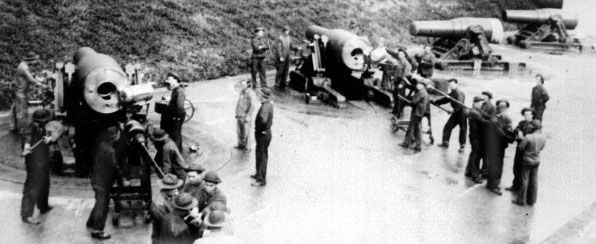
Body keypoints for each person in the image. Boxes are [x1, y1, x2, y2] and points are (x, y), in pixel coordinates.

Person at [86, 126, 128, 239]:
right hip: (103, 181)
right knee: (103, 205)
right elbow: (115, 167)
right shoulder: (110, 150)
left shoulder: (102, 145)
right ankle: (98, 230)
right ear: (115, 137)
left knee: (99, 201)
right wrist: (123, 179)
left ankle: (91, 222)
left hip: (96, 178)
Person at [20, 109, 53, 224]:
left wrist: (49, 139)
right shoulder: (29, 127)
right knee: (32, 186)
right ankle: (26, 214)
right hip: (33, 161)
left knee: (45, 182)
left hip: (43, 158)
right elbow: (27, 137)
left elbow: (49, 134)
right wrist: (27, 146)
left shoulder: (43, 125)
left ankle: (43, 206)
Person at [512, 120, 546, 206]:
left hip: (527, 160)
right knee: (534, 180)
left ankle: (521, 200)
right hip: (536, 160)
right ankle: (531, 200)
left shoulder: (528, 136)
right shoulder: (543, 137)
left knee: (525, 179)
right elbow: (541, 148)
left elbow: (521, 147)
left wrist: (520, 139)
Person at [12, 52, 46, 134]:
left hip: (20, 91)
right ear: (31, 60)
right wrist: (41, 84)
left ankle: (15, 128)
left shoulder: (24, 65)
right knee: (22, 111)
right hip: (20, 92)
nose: (35, 62)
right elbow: (30, 79)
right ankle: (22, 130)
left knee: (17, 109)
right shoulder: (23, 67)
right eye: (35, 60)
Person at [485, 100, 515, 195]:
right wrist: (509, 137)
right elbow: (500, 132)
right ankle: (494, 186)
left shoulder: (496, 116)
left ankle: (490, 183)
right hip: (497, 145)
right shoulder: (498, 118)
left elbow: (506, 128)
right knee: (497, 166)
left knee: (492, 164)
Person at [506, 108, 537, 192]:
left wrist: (523, 137)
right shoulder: (522, 123)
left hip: (527, 149)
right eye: (525, 114)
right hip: (519, 148)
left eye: (529, 114)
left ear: (532, 115)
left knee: (524, 170)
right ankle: (515, 185)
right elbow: (517, 128)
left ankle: (522, 189)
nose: (527, 116)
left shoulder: (534, 125)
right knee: (516, 167)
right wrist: (518, 131)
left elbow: (534, 137)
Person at [434, 78, 467, 152]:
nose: (450, 86)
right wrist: (436, 102)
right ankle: (445, 142)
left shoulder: (459, 93)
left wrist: (453, 110)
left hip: (462, 113)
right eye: (449, 85)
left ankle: (462, 146)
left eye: (452, 84)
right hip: (455, 113)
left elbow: (460, 104)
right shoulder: (452, 93)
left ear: (456, 84)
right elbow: (446, 99)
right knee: (448, 127)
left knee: (463, 129)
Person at [399, 79, 429, 152]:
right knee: (417, 129)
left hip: (416, 112)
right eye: (417, 84)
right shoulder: (425, 92)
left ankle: (406, 143)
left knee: (411, 128)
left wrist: (411, 102)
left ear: (423, 86)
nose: (417, 85)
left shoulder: (420, 92)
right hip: (420, 112)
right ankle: (418, 146)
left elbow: (414, 102)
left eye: (419, 84)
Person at [151, 174, 184, 239]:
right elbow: (166, 223)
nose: (177, 190)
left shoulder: (170, 195)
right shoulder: (158, 204)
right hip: (163, 232)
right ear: (168, 189)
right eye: (175, 188)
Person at [252, 87, 274, 186]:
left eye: (259, 94)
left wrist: (260, 130)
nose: (258, 95)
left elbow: (263, 120)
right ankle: (258, 174)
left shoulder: (265, 106)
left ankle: (261, 179)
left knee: (262, 156)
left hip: (263, 135)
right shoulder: (268, 104)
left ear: (262, 95)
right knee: (259, 154)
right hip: (264, 134)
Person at [465, 96, 488, 183]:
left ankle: (469, 172)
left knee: (474, 154)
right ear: (475, 103)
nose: (481, 105)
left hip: (478, 136)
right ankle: (475, 176)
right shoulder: (473, 112)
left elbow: (486, 115)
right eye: (480, 103)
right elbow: (483, 121)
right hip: (475, 137)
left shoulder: (478, 110)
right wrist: (493, 123)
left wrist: (495, 117)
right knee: (476, 156)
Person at [160, 72, 186, 150]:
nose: (169, 81)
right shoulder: (175, 90)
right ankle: (177, 152)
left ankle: (176, 154)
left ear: (175, 80)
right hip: (175, 116)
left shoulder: (179, 91)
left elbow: (180, 107)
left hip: (177, 117)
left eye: (170, 79)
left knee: (176, 136)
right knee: (175, 135)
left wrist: (177, 118)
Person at [234, 79, 255, 151]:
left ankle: (247, 147)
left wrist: (248, 116)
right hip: (239, 114)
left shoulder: (250, 93)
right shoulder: (241, 92)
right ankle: (240, 144)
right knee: (239, 131)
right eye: (241, 85)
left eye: (243, 85)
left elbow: (252, 105)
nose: (241, 86)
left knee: (247, 132)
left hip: (245, 115)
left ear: (248, 85)